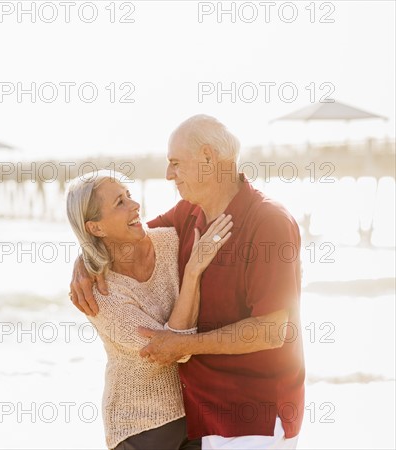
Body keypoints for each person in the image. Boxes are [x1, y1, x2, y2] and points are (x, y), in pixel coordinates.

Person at [69, 115, 305, 450]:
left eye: (176, 163)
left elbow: (271, 330)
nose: (168, 175)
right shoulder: (188, 214)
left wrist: (184, 345)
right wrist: (85, 260)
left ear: (208, 159)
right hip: (203, 417)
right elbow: (126, 237)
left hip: (256, 416)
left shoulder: (269, 222)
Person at [65, 169, 233, 450]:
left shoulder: (169, 241)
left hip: (195, 413)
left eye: (129, 195)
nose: (135, 204)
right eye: (120, 202)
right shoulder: (101, 295)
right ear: (95, 228)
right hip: (140, 428)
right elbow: (172, 350)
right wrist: (192, 272)